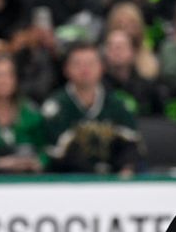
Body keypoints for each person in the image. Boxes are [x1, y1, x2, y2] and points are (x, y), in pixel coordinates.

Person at [42, 42, 141, 175]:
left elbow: (131, 146)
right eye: (77, 64)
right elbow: (56, 156)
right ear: (66, 69)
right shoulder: (55, 108)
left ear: (102, 67)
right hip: (70, 183)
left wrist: (126, 170)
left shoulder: (118, 104)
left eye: (90, 63)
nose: (85, 69)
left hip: (113, 181)